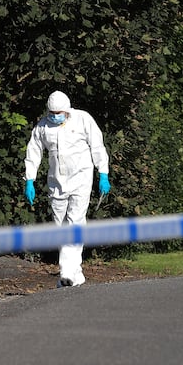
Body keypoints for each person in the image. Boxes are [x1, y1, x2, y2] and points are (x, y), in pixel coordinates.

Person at [24, 90, 111, 287]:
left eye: (59, 112)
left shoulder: (82, 119)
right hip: (57, 183)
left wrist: (103, 172)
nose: (55, 115)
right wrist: (30, 179)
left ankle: (67, 273)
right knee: (60, 225)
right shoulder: (43, 127)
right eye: (52, 112)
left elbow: (97, 146)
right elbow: (34, 152)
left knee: (75, 222)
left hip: (81, 177)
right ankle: (76, 273)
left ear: (67, 110)